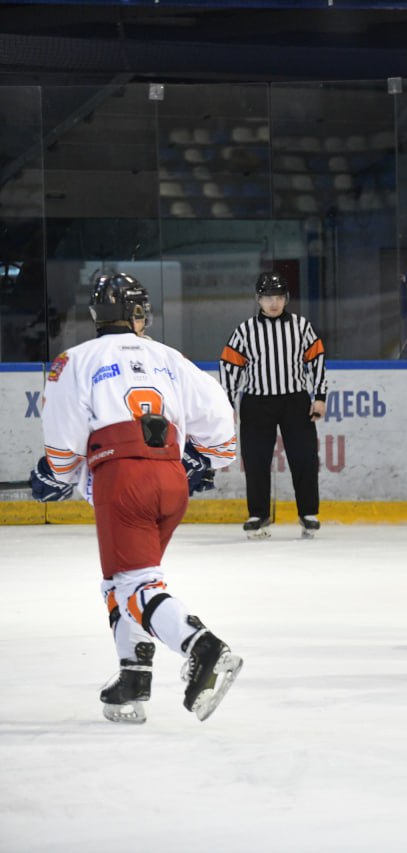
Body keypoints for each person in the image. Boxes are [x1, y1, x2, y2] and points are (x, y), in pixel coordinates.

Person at [28, 271, 242, 723]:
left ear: (95, 314)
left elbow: (64, 444)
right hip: (169, 480)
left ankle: (202, 648)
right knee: (125, 583)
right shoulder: (171, 358)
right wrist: (194, 463)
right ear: (140, 312)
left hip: (121, 481)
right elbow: (222, 430)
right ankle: (133, 677)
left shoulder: (74, 360)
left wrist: (56, 475)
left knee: (134, 586)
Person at [219, 271, 328, 540]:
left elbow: (317, 359)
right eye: (268, 297)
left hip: (295, 400)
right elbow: (229, 365)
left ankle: (308, 513)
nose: (274, 303)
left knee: (303, 457)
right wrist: (227, 403)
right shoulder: (244, 331)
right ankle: (258, 514)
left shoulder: (302, 326)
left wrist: (320, 397)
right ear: (258, 299)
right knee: (256, 460)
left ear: (286, 298)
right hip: (257, 402)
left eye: (279, 297)